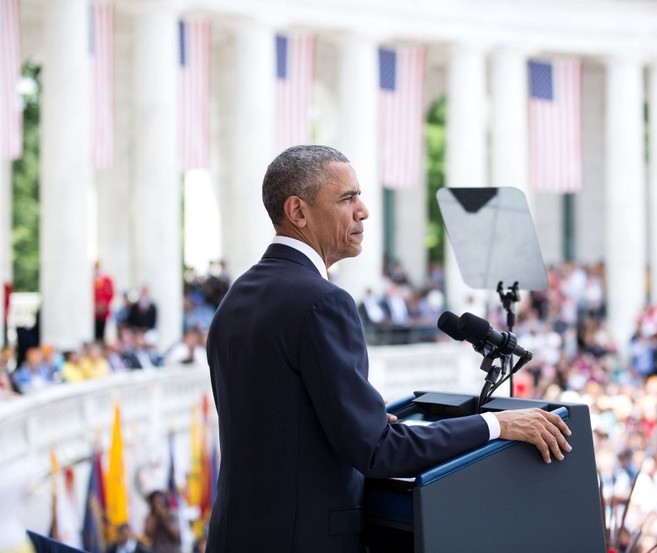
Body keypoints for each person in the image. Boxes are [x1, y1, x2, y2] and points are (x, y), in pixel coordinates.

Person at [206, 145, 572, 553]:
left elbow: (278, 424)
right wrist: (499, 425)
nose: (363, 210)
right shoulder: (324, 302)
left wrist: (355, 421)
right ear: (298, 211)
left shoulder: (236, 299)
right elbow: (379, 452)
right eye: (347, 198)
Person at [93, 261, 115, 342]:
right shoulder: (92, 280)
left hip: (104, 311)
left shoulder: (107, 280)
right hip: (94, 311)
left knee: (103, 331)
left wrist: (104, 305)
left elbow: (110, 293)